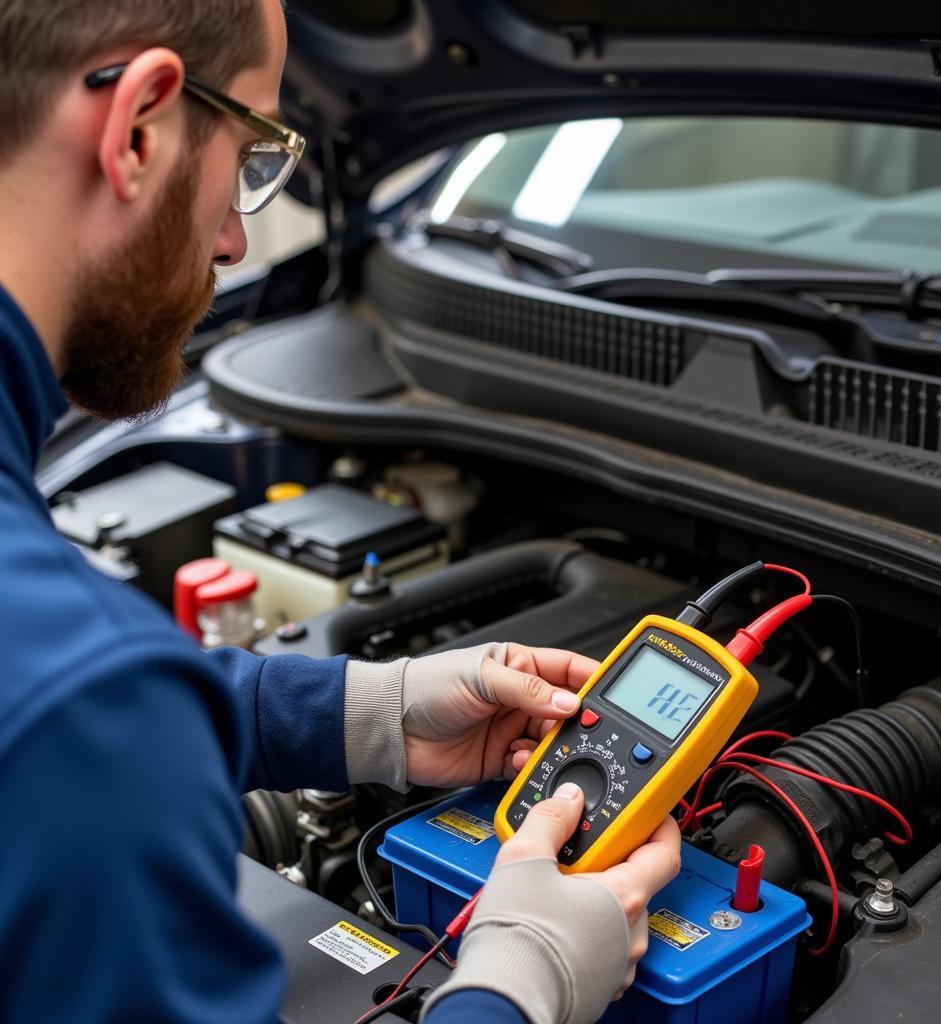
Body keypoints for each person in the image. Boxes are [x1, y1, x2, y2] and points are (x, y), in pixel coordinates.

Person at [0, 2, 681, 1022]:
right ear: (138, 124)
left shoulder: (79, 705)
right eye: (252, 158)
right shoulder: (88, 714)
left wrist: (369, 715)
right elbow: (70, 721)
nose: (234, 238)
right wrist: (522, 977)